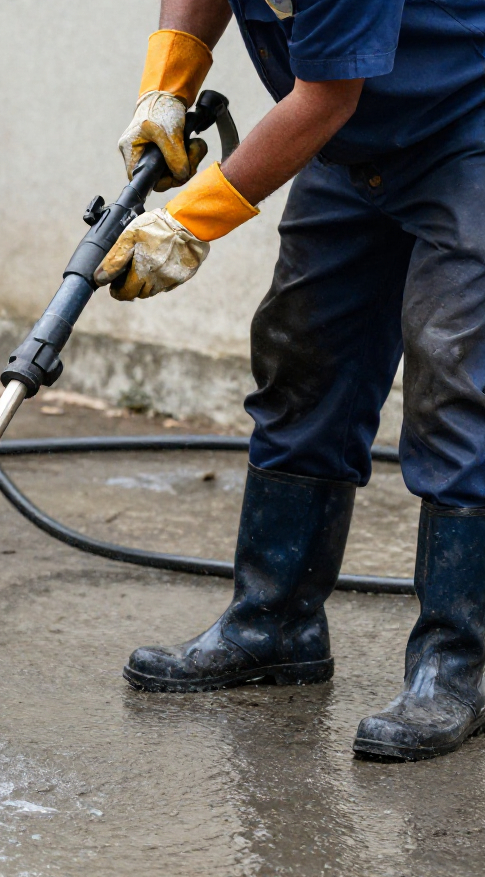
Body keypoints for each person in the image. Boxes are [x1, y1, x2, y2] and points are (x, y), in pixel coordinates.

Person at [106, 0, 485, 762]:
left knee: (455, 380)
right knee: (300, 354)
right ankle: (274, 625)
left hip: (463, 131)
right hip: (352, 145)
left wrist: (188, 222)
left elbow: (322, 98)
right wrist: (169, 83)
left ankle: (457, 668)